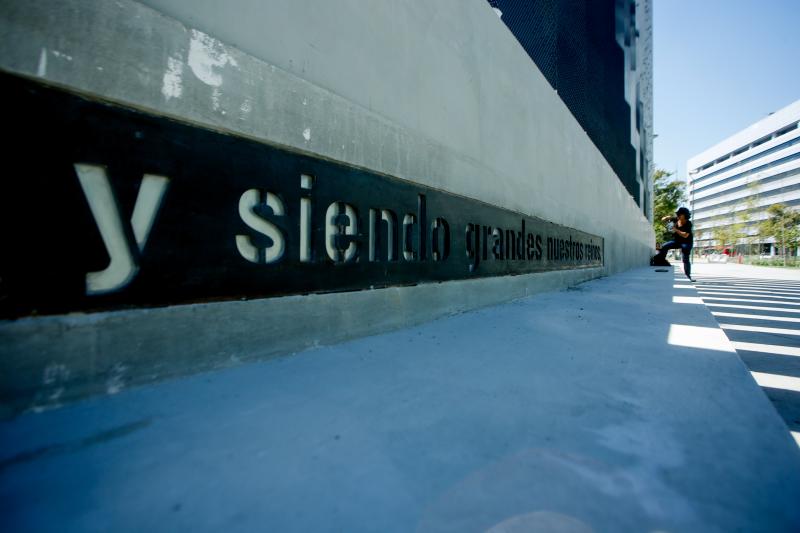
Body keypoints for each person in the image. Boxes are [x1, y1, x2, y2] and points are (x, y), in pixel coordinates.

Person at [654, 207, 694, 282]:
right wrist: (667, 217)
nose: (678, 215)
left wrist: (675, 229)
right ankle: (660, 260)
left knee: (685, 258)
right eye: (678, 214)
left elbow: (685, 235)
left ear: (684, 215)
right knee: (664, 246)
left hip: (687, 242)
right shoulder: (676, 219)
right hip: (677, 241)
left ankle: (688, 276)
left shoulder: (688, 223)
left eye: (680, 214)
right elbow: (663, 219)